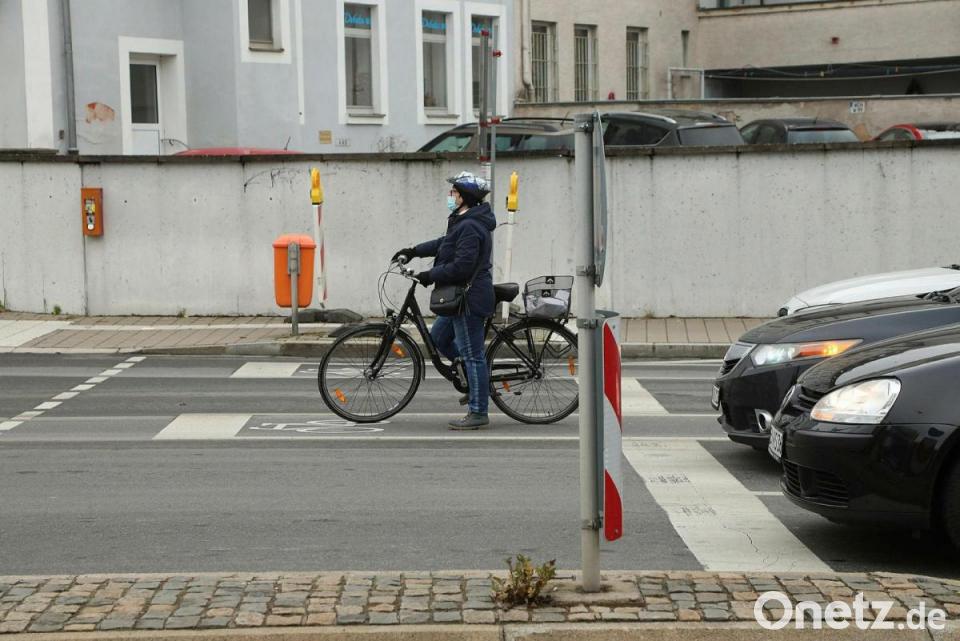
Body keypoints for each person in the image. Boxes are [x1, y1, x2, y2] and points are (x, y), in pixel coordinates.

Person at [392, 171, 496, 430]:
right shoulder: (462, 221)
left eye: (454, 193)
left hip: (468, 297)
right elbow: (444, 243)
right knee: (439, 338)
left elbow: (462, 266)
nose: (450, 196)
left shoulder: (471, 226)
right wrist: (413, 251)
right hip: (457, 297)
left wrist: (429, 275)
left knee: (473, 355)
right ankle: (475, 382)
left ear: (465, 197)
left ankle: (478, 410)